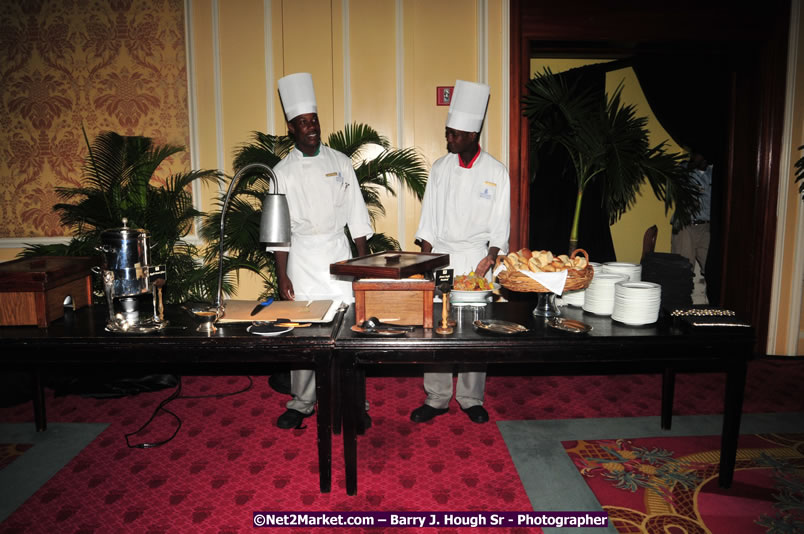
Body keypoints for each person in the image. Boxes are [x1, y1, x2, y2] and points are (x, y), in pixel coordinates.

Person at [270, 72, 374, 429]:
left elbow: (357, 216)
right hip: (301, 258)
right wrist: (282, 273)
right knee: (303, 334)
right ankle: (302, 402)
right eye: (303, 123)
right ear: (291, 129)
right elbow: (279, 230)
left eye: (313, 120)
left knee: (347, 335)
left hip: (337, 255)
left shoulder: (340, 162)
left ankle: (354, 401)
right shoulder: (280, 172)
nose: (311, 127)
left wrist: (361, 262)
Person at [411, 80, 510, 424]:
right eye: (447, 132)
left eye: (453, 133)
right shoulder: (439, 169)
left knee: (475, 328)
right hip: (443, 256)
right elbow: (428, 222)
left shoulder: (496, 172)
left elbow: (500, 224)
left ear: (471, 135)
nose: (448, 139)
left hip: (477, 260)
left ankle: (471, 397)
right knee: (438, 326)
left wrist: (491, 256)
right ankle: (437, 396)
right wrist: (425, 264)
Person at [671, 149, 712, 305]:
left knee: (713, 270)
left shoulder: (713, 173)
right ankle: (679, 312)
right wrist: (693, 164)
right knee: (682, 272)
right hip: (685, 226)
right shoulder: (683, 170)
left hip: (707, 227)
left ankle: (714, 307)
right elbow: (674, 176)